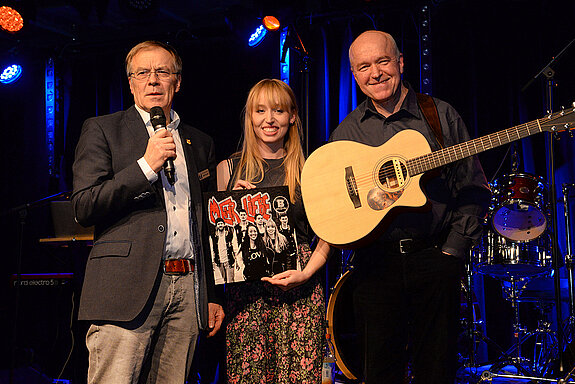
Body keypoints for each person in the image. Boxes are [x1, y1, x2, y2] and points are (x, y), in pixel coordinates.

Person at [266, 31, 491, 384]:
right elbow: (330, 209)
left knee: (437, 369)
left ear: (400, 63)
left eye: (383, 62)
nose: (376, 74)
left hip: (432, 259)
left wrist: (452, 251)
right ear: (355, 75)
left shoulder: (439, 115)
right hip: (374, 267)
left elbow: (474, 189)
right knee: (379, 371)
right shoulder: (347, 133)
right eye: (363, 67)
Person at [71, 40, 224, 383]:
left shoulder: (199, 142)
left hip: (187, 288)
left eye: (162, 72)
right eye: (142, 72)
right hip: (125, 288)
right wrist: (145, 166)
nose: (153, 80)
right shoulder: (102, 129)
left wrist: (210, 296)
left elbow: (205, 226)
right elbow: (84, 205)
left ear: (177, 82)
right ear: (131, 83)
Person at [216, 79, 332, 383]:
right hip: (248, 295)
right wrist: (234, 211)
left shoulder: (311, 170)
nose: (269, 119)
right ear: (250, 118)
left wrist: (306, 274)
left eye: (278, 110)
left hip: (301, 288)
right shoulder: (229, 169)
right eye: (261, 111)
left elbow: (330, 234)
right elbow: (221, 247)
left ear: (292, 116)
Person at [210, 217, 236, 284]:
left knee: (231, 281)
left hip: (229, 261)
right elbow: (213, 249)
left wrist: (236, 260)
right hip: (220, 262)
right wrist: (213, 261)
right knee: (224, 281)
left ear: (224, 224)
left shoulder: (229, 234)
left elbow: (234, 246)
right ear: (216, 226)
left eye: (221, 223)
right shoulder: (214, 236)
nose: (220, 225)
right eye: (218, 224)